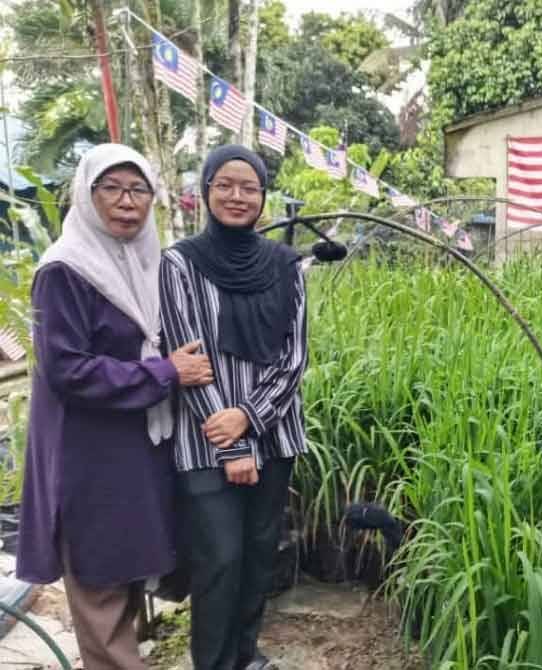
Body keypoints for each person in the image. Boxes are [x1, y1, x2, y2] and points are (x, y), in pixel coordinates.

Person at [17, 143, 213, 669]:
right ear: (86, 195)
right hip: (90, 454)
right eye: (112, 188)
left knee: (126, 570)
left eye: (138, 189)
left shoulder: (145, 263)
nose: (127, 202)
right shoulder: (65, 270)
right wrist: (167, 372)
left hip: (138, 445)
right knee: (100, 580)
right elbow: (67, 370)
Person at [159, 145, 307, 670]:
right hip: (205, 439)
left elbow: (294, 357)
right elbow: (187, 358)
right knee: (219, 560)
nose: (237, 196)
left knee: (258, 555)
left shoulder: (286, 265)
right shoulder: (179, 263)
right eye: (224, 184)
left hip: (274, 433)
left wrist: (249, 417)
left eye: (249, 187)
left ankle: (246, 655)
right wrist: (234, 441)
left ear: (263, 196)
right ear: (206, 191)